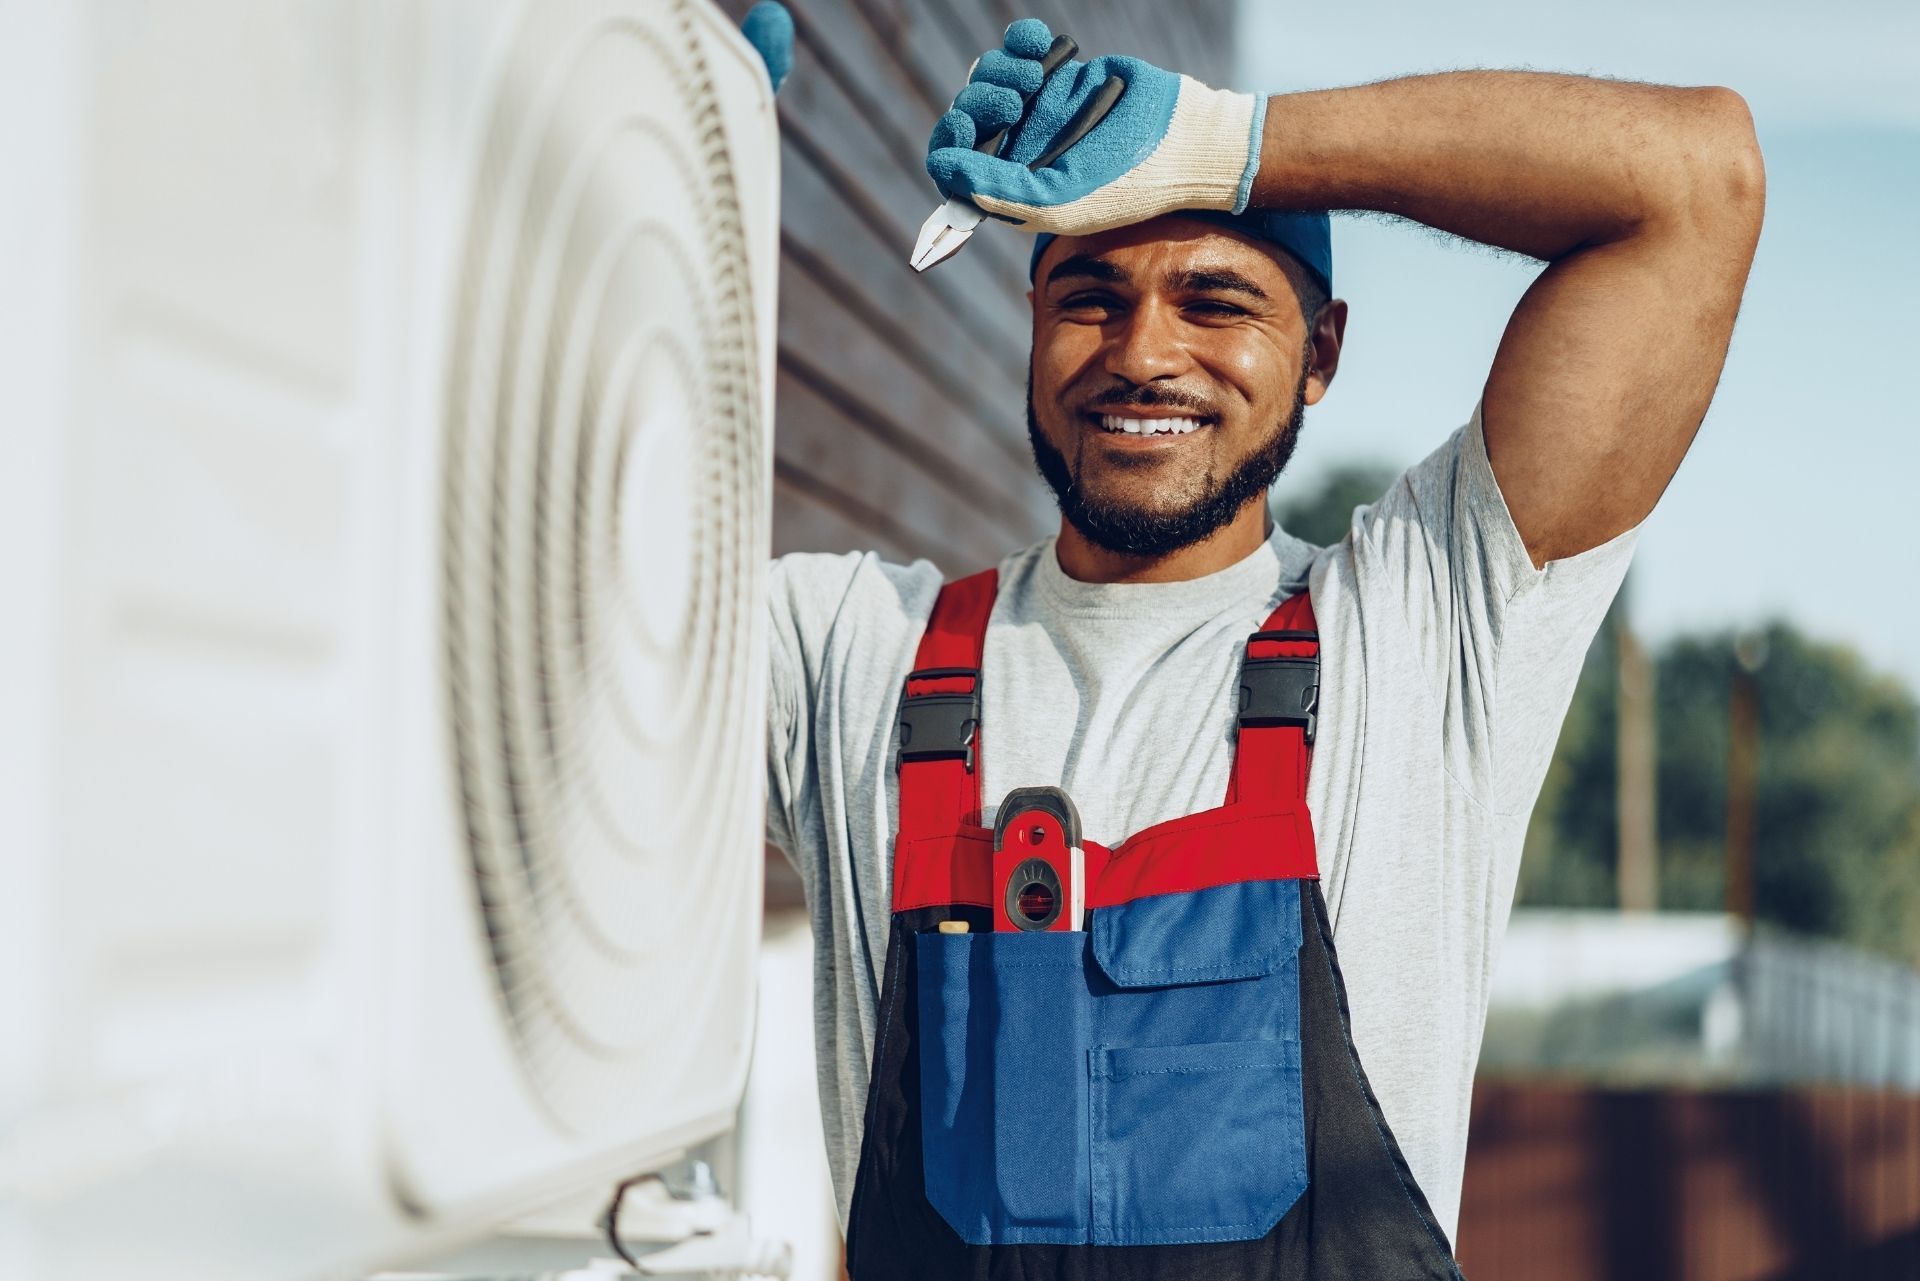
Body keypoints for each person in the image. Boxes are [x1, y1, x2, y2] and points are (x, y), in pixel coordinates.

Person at [762, 17, 1763, 1278]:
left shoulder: (1422, 632)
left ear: (1321, 355)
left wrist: (1224, 145)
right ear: (1030, 327)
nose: (1141, 354)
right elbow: (514, 610)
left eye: (1214, 301)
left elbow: (1696, 181)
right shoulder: (848, 654)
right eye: (1090, 298)